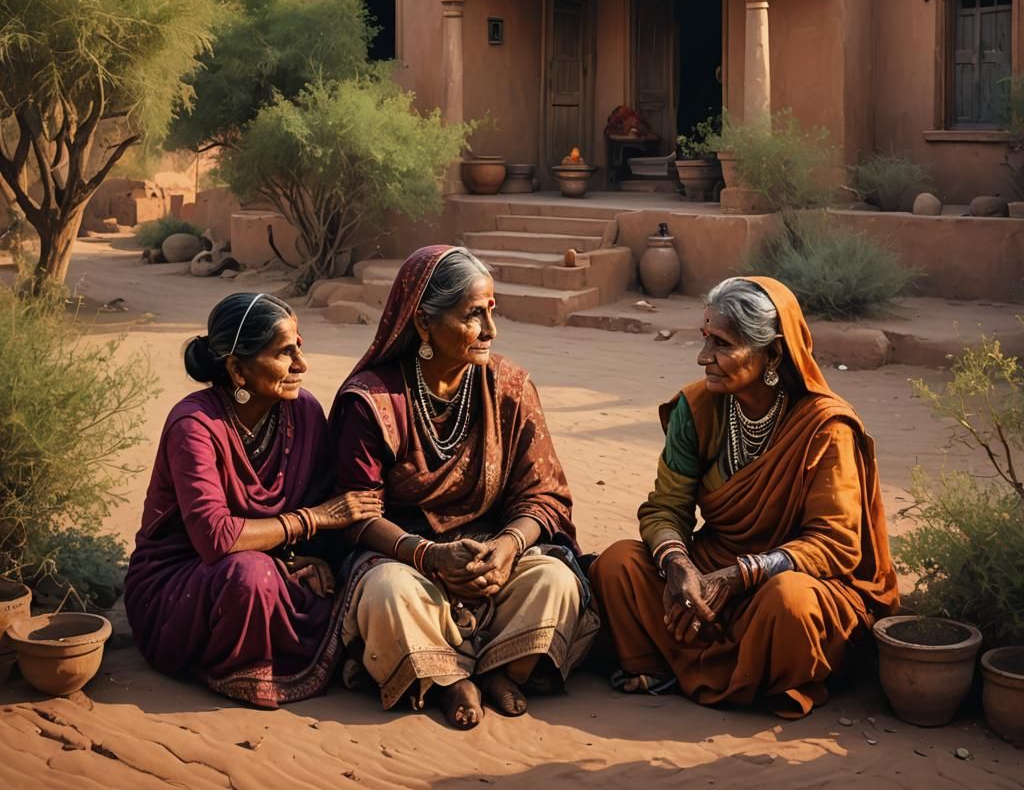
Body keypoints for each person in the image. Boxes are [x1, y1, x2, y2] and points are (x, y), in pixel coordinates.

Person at [590, 276, 899, 717]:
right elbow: (665, 509)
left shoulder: (826, 428)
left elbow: (835, 544)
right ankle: (701, 672)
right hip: (711, 572)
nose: (703, 358)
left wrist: (738, 577)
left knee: (790, 605)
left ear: (772, 352)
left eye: (721, 344)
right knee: (619, 564)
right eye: (704, 340)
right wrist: (678, 567)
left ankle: (711, 672)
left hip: (791, 581)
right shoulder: (695, 409)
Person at [329, 246, 598, 730]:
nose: (490, 332)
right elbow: (356, 514)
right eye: (473, 315)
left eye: (491, 313)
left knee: (555, 583)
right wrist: (429, 557)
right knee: (388, 594)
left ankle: (495, 668)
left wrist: (508, 547)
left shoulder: (510, 387)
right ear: (424, 324)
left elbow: (545, 495)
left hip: (495, 559)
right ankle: (453, 680)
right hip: (404, 560)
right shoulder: (371, 401)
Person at [124, 292, 382, 708]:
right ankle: (234, 670)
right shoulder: (194, 426)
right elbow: (216, 539)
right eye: (285, 352)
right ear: (238, 370)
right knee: (251, 579)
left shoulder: (305, 412)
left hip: (274, 563)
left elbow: (322, 498)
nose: (302, 364)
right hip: (183, 584)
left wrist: (301, 557)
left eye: (300, 346)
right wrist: (314, 520)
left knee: (353, 579)